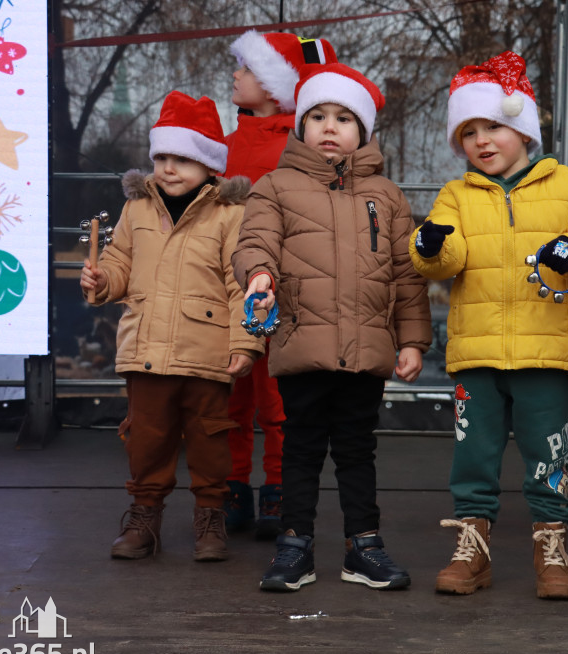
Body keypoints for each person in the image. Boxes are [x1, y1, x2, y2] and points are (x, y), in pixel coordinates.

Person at [409, 51, 568, 599]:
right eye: (470, 132)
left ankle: (552, 552)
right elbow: (441, 258)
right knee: (472, 455)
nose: (483, 141)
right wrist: (429, 245)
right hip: (476, 354)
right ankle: (471, 549)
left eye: (495, 127)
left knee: (548, 451)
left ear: (524, 130)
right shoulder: (457, 194)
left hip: (545, 352)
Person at [233, 62, 432, 592]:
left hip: (366, 349)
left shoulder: (386, 196)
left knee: (356, 450)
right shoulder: (274, 187)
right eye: (317, 115)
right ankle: (293, 547)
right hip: (302, 341)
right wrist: (258, 276)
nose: (328, 126)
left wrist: (412, 340)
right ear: (299, 125)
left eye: (343, 117)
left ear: (362, 131)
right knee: (299, 448)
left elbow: (406, 274)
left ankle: (363, 547)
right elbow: (255, 242)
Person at [80, 90, 263, 562]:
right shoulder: (137, 210)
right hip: (146, 349)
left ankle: (210, 517)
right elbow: (120, 262)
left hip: (206, 355)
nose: (167, 167)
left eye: (181, 158)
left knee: (209, 442)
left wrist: (246, 341)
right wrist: (102, 280)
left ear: (209, 165)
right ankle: (144, 517)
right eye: (161, 156)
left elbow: (241, 283)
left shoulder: (230, 214)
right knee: (146, 438)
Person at [223, 30, 338, 540]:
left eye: (245, 69)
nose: (235, 75)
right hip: (224, 291)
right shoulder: (219, 148)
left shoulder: (297, 148)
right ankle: (229, 487)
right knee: (229, 394)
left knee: (276, 397)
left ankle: (276, 488)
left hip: (282, 291)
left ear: (272, 85)